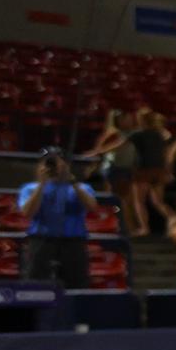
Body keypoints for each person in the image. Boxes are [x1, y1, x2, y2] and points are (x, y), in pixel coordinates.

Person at [17, 148, 99, 288]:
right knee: (36, 283)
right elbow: (27, 212)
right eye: (48, 163)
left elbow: (92, 207)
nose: (52, 167)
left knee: (76, 284)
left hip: (73, 241)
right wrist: (42, 184)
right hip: (41, 240)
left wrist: (72, 181)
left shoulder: (81, 188)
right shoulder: (29, 188)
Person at [90, 109, 142, 236]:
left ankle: (126, 227)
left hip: (126, 169)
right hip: (115, 169)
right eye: (125, 118)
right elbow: (99, 149)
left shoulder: (132, 133)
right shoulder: (113, 133)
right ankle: (119, 227)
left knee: (126, 200)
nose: (129, 121)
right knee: (117, 200)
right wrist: (94, 161)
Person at [128, 110, 172, 231]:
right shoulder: (160, 134)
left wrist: (97, 151)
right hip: (158, 170)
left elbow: (119, 144)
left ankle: (144, 228)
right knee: (158, 202)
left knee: (139, 201)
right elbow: (166, 152)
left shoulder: (137, 134)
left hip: (143, 171)